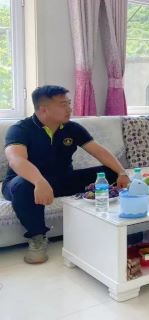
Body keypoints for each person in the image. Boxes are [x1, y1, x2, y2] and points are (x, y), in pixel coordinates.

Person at [3, 86, 131, 264]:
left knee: (109, 173)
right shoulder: (20, 129)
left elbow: (99, 151)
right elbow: (16, 160)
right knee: (24, 185)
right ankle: (37, 237)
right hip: (26, 182)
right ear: (43, 109)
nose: (69, 108)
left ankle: (117, 223)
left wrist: (122, 172)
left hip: (62, 180)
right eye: (63, 104)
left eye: (69, 103)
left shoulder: (72, 128)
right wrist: (39, 181)